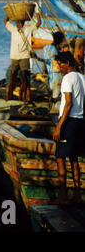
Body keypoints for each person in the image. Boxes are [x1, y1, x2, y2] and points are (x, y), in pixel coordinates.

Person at [52, 51, 85, 204]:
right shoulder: (82, 78)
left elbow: (69, 103)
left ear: (66, 63)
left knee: (60, 158)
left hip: (69, 122)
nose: (59, 68)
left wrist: (59, 127)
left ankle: (63, 196)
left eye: (60, 65)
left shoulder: (67, 78)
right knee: (74, 159)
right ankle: (77, 195)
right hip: (80, 121)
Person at [4, 11, 41, 102]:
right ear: (16, 23)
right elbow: (5, 20)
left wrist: (37, 13)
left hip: (24, 57)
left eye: (20, 22)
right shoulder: (13, 29)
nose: (19, 24)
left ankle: (25, 97)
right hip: (14, 56)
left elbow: (39, 23)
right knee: (12, 75)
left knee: (24, 78)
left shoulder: (28, 30)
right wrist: (11, 11)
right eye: (17, 22)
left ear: (24, 23)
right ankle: (10, 96)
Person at [37, 31, 65, 112]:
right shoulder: (53, 49)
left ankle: (54, 109)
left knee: (55, 94)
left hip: (51, 75)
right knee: (57, 95)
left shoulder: (48, 47)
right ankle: (56, 111)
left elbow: (47, 60)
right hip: (56, 76)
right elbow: (51, 59)